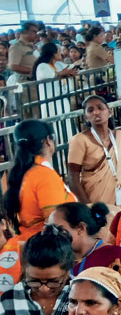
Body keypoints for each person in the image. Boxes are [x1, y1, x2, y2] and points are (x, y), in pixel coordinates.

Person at [0, 120, 76, 292]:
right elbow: (56, 222)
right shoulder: (43, 175)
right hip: (44, 256)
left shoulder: (24, 172)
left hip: (27, 249)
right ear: (48, 140)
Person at [66, 95, 121, 210]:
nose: (96, 112)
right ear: (86, 117)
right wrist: (89, 208)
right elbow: (73, 179)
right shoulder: (80, 140)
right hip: (96, 198)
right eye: (90, 110)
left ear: (110, 112)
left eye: (100, 108)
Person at [49, 202, 121, 284]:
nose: (52, 235)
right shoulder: (56, 256)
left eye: (58, 229)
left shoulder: (113, 255)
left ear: (81, 228)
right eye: (50, 229)